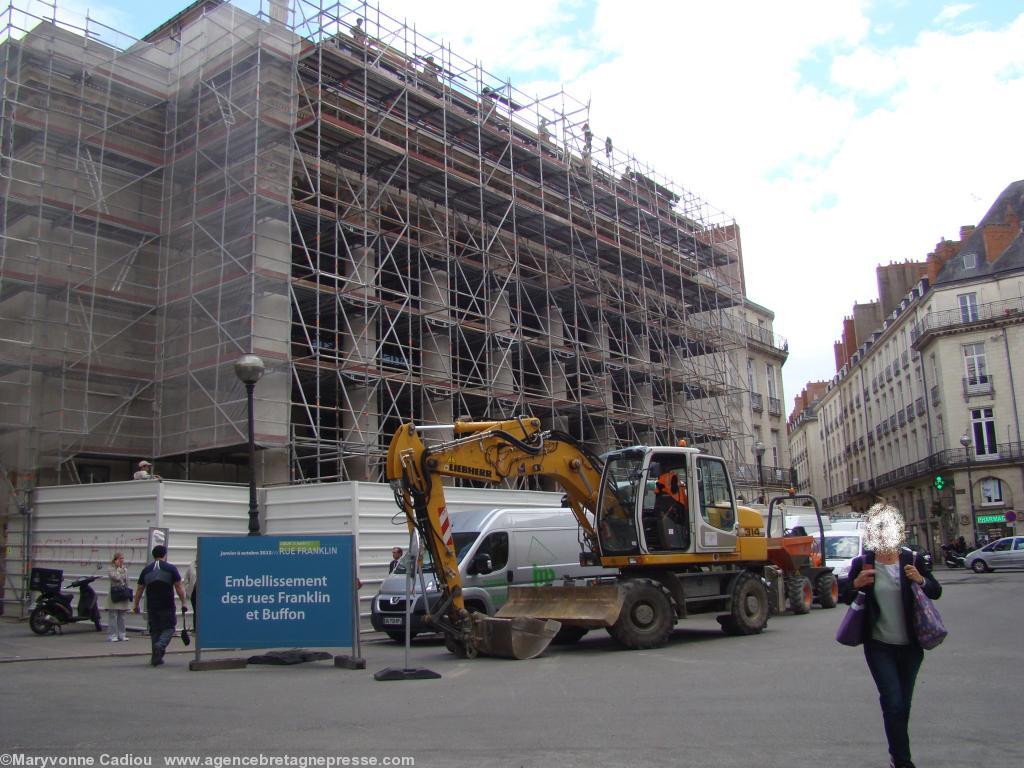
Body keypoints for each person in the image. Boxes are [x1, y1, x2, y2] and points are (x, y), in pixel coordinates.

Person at [839, 503, 942, 768]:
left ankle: (897, 754)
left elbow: (935, 590)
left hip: (911, 646)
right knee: (893, 702)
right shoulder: (863, 563)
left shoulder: (911, 560)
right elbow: (843, 595)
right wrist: (856, 584)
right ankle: (903, 761)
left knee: (903, 704)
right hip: (879, 646)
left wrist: (920, 580)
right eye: (879, 528)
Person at [133, 545, 187, 667]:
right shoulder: (171, 569)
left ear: (153, 555)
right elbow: (178, 587)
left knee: (155, 630)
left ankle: (156, 658)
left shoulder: (146, 570)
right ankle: (160, 645)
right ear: (165, 555)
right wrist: (183, 602)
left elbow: (140, 589)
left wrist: (136, 605)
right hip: (167, 604)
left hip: (152, 605)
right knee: (169, 628)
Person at [105, 552, 131, 642]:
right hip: (115, 593)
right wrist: (118, 569)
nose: (122, 560)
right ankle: (111, 635)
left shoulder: (125, 568)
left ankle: (122, 635)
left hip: (123, 593)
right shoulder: (111, 568)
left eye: (123, 558)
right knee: (113, 616)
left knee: (122, 616)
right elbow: (116, 577)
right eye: (120, 558)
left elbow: (126, 580)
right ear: (115, 559)